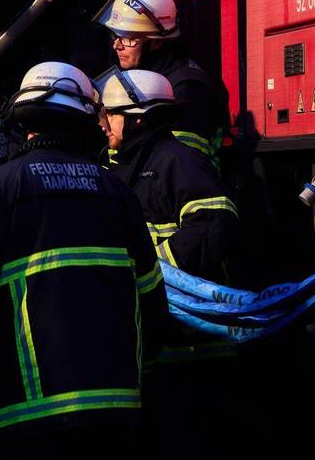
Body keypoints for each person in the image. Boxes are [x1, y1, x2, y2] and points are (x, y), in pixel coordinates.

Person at [0, 61, 168, 460]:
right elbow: (152, 303)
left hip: (25, 417)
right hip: (117, 414)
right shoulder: (116, 192)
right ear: (85, 121)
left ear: (21, 120)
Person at [100, 69, 243, 458]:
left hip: (189, 352)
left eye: (110, 114)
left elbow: (215, 220)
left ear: (138, 118)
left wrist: (152, 265)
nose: (102, 122)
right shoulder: (120, 165)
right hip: (151, 344)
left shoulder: (176, 160)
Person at [94, 0, 229, 166]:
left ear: (156, 42)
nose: (117, 46)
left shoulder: (186, 87)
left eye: (128, 38)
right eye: (115, 36)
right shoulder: (140, 79)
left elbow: (181, 165)